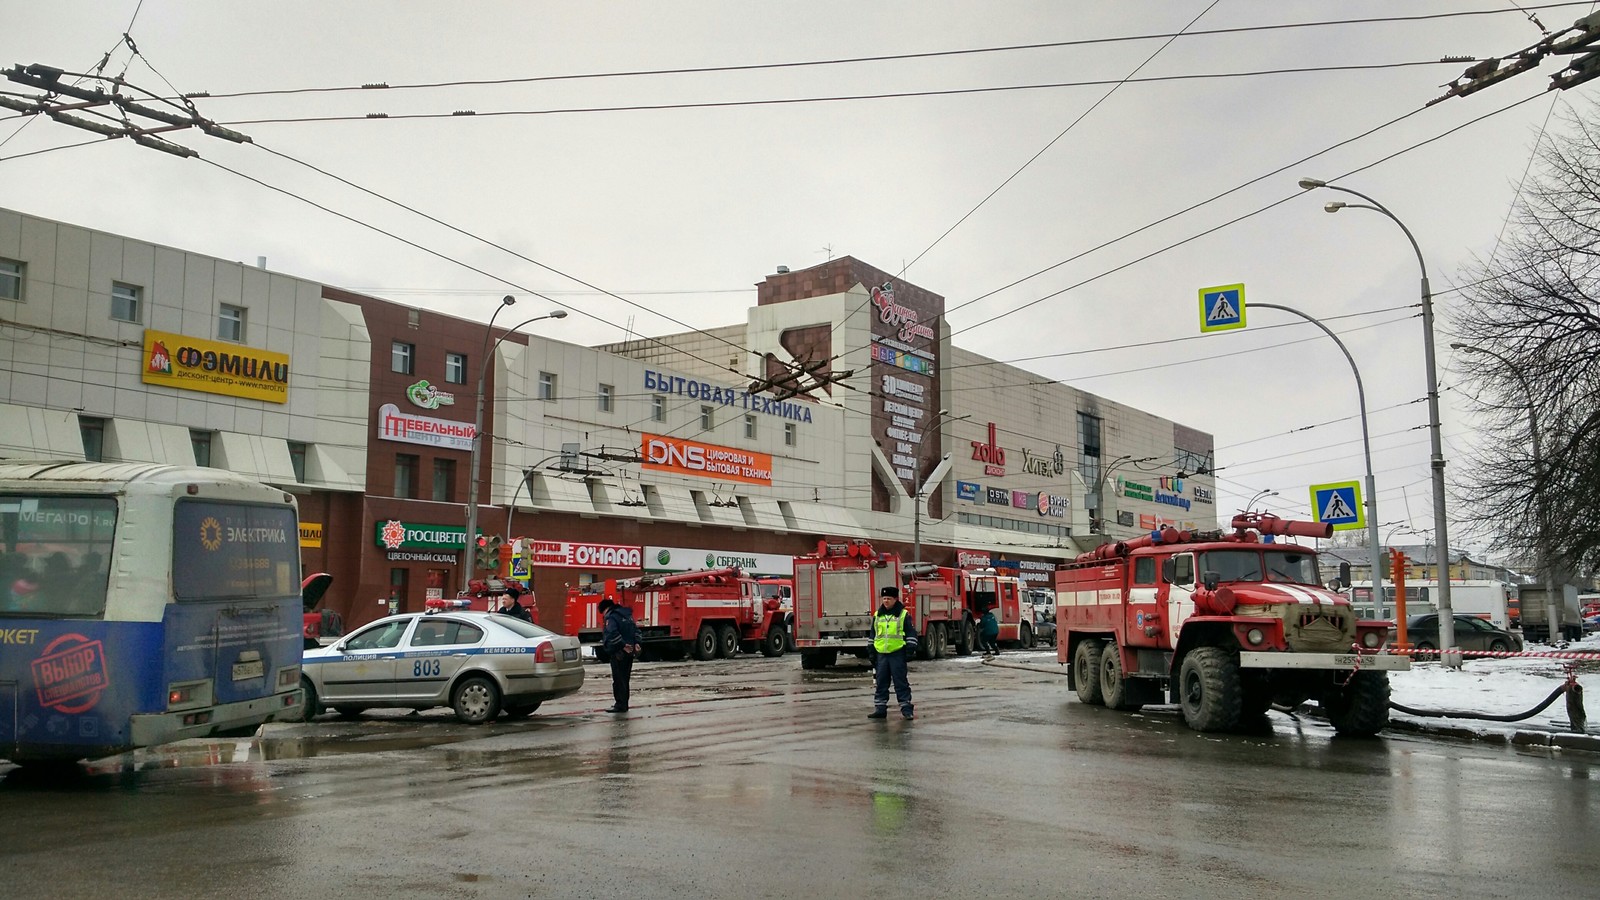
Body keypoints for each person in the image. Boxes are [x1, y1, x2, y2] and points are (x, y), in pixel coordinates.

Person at [868, 585, 918, 720]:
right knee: (881, 682)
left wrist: (910, 650)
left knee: (900, 682)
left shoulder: (903, 614)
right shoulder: (877, 615)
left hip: (897, 653)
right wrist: (871, 650)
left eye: (888, 598)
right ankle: (880, 708)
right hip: (881, 654)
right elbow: (873, 634)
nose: (885, 601)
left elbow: (911, 633)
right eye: (884, 598)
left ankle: (906, 709)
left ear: (895, 599)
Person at [599, 595, 641, 713]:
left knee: (618, 679)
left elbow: (612, 633)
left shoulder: (611, 617)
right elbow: (636, 630)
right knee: (625, 679)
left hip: (618, 653)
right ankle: (624, 703)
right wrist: (637, 643)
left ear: (606, 609)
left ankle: (620, 705)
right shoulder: (627, 615)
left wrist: (622, 645)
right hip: (630, 652)